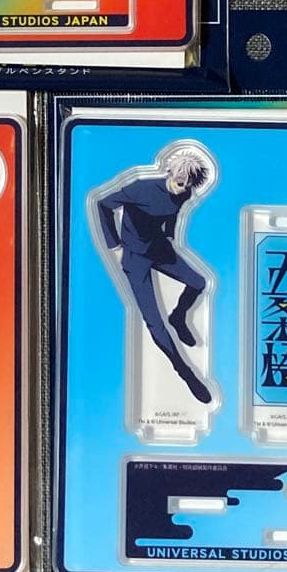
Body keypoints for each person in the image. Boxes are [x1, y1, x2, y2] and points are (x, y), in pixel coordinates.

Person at [97, 148, 213, 404]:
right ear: (170, 173)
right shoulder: (141, 188)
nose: (181, 190)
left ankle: (178, 316)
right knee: (155, 324)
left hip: (159, 248)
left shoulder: (185, 193)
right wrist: (114, 246)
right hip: (134, 258)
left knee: (199, 282)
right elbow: (103, 204)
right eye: (179, 183)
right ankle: (186, 373)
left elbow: (175, 211)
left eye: (186, 186)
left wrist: (170, 234)